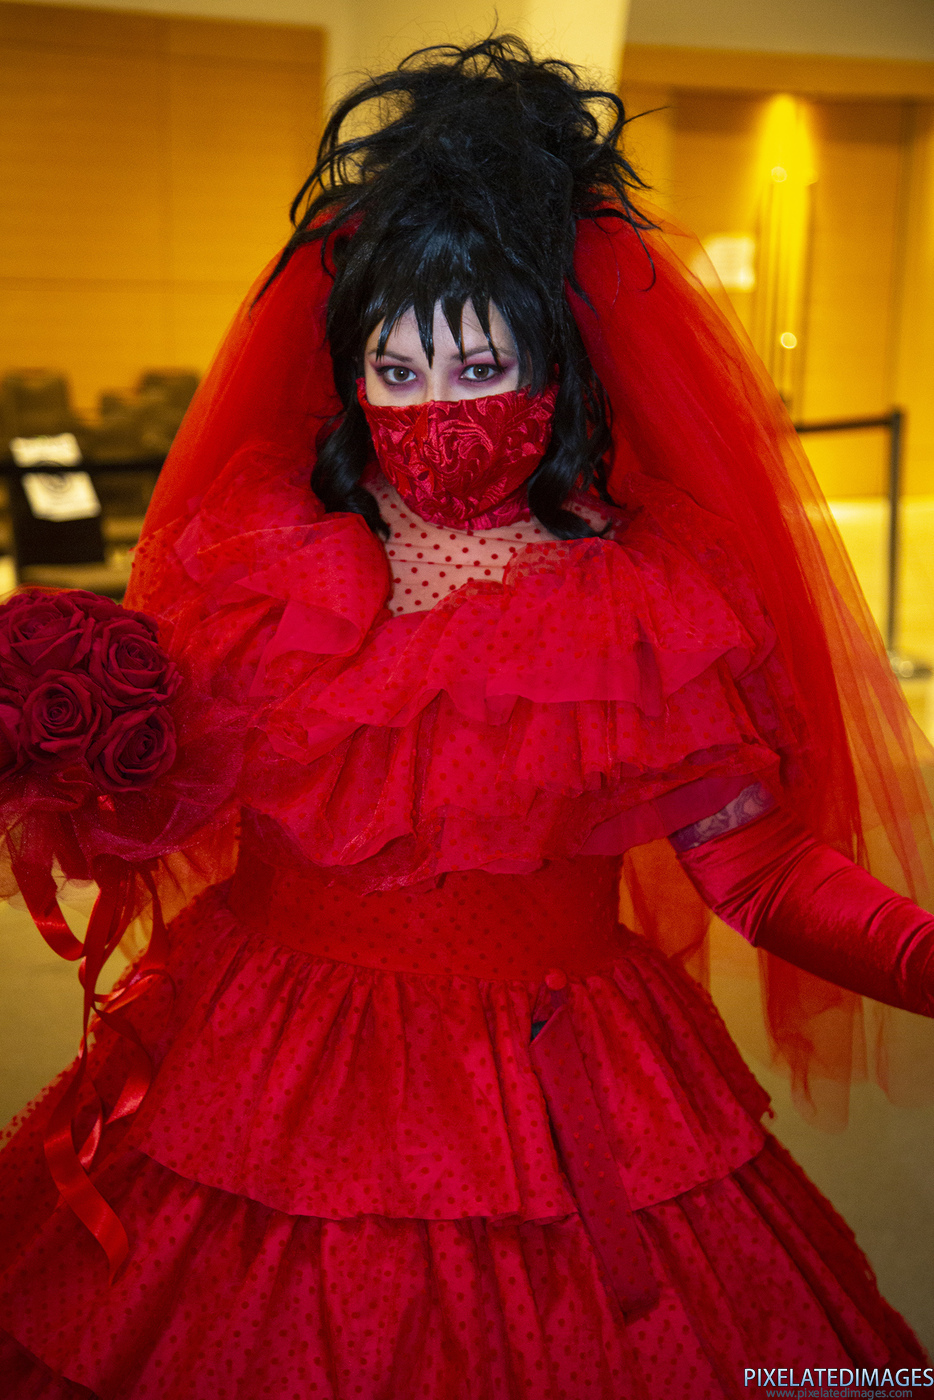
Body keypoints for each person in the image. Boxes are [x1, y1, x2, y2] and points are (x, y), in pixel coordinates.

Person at [1, 36, 933, 1399]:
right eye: (397, 370)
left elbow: (759, 869)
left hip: (550, 1089)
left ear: (557, 368)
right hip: (266, 1064)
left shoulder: (642, 599)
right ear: (349, 374)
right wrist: (64, 765)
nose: (437, 412)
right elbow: (169, 804)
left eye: (480, 363)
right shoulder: (263, 562)